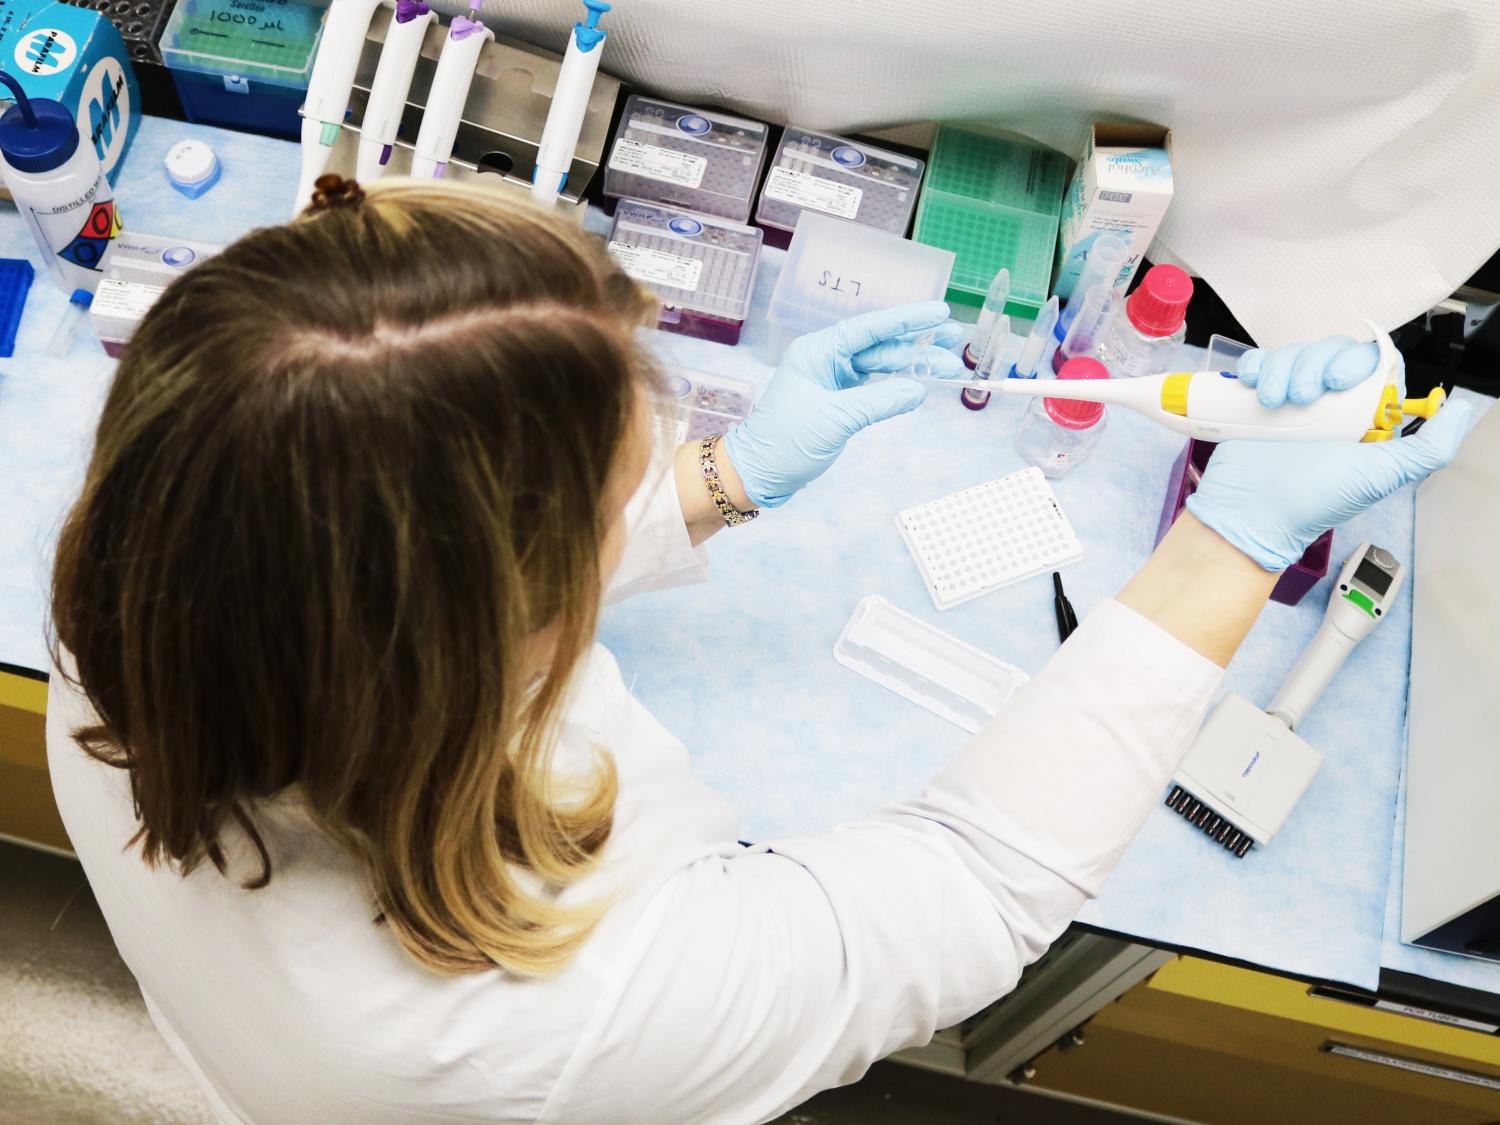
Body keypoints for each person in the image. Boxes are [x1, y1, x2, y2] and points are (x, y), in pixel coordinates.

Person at [46, 177, 1472, 1125]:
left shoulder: (138, 582)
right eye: (627, 483)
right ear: (493, 622)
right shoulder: (536, 1024)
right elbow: (973, 883)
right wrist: (1231, 540)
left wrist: (726, 481)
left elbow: (405, 571)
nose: (666, 464)